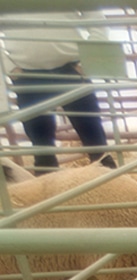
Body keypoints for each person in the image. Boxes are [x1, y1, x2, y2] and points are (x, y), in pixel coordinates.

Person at [0, 11, 115, 173]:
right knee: (42, 148)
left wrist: (88, 59)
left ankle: (114, 188)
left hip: (71, 70)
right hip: (27, 76)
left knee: (96, 141)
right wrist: (9, 67)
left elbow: (95, 16)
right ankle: (51, 194)